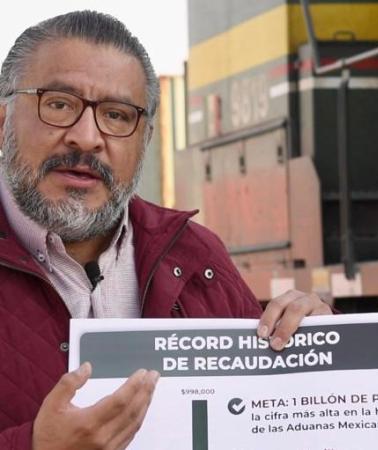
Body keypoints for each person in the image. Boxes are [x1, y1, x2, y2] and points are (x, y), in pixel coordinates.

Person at [0, 10, 332, 450]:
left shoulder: (197, 256)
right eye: (58, 104)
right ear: (3, 120)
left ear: (145, 140)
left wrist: (319, 352)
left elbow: (272, 423)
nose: (87, 137)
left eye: (117, 115)